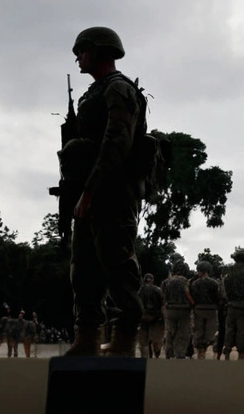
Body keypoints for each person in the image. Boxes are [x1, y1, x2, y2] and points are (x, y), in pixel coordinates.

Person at [60, 27, 148, 357]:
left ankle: (125, 338)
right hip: (90, 192)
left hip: (112, 192)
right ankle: (87, 338)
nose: (78, 57)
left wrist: (91, 190)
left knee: (116, 262)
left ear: (99, 51)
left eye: (82, 50)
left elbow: (116, 144)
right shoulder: (93, 93)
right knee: (83, 267)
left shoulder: (119, 89)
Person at [188, 261, 223, 359]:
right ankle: (204, 349)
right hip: (211, 310)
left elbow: (192, 296)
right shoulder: (214, 283)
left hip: (198, 309)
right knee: (209, 333)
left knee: (198, 331)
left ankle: (200, 352)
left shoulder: (194, 283)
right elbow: (219, 296)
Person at [162, 260, 194, 358]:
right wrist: (192, 303)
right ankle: (179, 353)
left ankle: (168, 351)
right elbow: (187, 292)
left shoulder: (166, 281)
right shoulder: (184, 280)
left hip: (170, 309)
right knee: (183, 333)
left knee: (170, 331)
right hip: (183, 310)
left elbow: (163, 296)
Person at [137, 273, 166, 358]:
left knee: (143, 341)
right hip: (156, 318)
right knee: (156, 338)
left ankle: (146, 357)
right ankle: (156, 352)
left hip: (143, 318)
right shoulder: (158, 290)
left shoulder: (140, 290)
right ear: (152, 280)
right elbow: (163, 303)